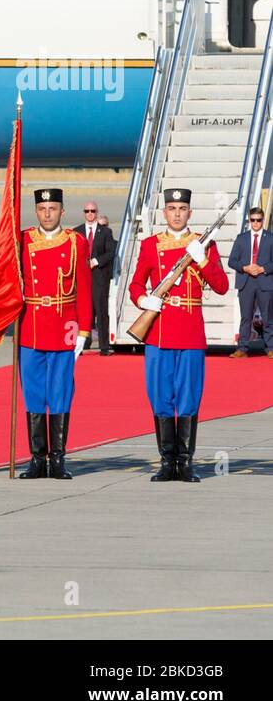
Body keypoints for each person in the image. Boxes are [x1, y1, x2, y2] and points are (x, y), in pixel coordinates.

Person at [129, 187, 228, 483]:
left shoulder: (203, 245)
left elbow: (221, 286)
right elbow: (135, 284)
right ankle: (165, 462)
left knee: (188, 398)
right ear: (164, 213)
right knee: (160, 397)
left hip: (189, 331)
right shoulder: (150, 245)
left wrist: (203, 260)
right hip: (158, 331)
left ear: (189, 213)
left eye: (182, 209)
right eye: (172, 209)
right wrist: (143, 301)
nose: (176, 214)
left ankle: (184, 463)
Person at [13, 188, 92, 478]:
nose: (48, 214)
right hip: (31, 327)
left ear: (62, 211)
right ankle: (37, 459)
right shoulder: (22, 240)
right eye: (43, 208)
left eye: (53, 208)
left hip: (63, 328)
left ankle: (57, 460)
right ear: (36, 211)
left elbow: (84, 289)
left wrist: (84, 330)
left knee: (60, 395)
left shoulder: (76, 243)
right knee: (33, 396)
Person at [227, 206, 273, 358]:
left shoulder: (271, 238)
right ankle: (242, 349)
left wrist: (262, 269)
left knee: (268, 317)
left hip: (265, 281)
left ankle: (270, 347)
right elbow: (232, 261)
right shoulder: (241, 238)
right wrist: (245, 268)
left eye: (258, 220)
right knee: (245, 317)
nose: (255, 223)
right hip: (246, 281)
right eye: (253, 220)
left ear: (262, 220)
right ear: (249, 220)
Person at [78, 201, 115, 355]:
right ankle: (82, 344)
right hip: (83, 278)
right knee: (83, 312)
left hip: (99, 277)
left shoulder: (105, 232)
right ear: (84, 213)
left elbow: (110, 252)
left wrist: (96, 261)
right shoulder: (77, 231)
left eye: (93, 211)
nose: (90, 214)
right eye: (87, 211)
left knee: (101, 311)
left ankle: (104, 346)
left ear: (97, 212)